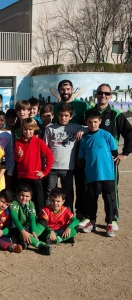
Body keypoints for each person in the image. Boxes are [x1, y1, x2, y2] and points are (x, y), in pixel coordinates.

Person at [88, 83, 132, 231]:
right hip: (92, 162)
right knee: (91, 191)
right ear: (96, 94)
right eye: (100, 93)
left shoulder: (115, 114)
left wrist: (125, 153)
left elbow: (129, 133)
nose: (103, 96)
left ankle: (112, 220)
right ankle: (90, 218)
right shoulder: (89, 113)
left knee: (110, 191)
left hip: (109, 162)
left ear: (111, 96)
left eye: (106, 93)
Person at [52, 80, 91, 221]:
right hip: (63, 154)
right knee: (62, 187)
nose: (65, 91)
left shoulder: (82, 105)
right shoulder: (56, 107)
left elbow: (90, 122)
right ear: (59, 91)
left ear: (72, 89)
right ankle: (56, 215)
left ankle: (79, 213)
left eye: (68, 89)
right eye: (62, 89)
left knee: (81, 185)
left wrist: (82, 129)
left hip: (80, 151)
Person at [78, 109, 118, 237]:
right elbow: (82, 158)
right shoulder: (84, 139)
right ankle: (92, 221)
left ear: (100, 121)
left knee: (108, 199)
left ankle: (110, 223)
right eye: (90, 122)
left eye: (95, 122)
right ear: (86, 122)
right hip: (92, 175)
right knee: (92, 199)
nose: (93, 124)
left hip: (107, 175)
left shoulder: (106, 135)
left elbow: (114, 152)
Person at [43, 102, 85, 210]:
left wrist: (81, 130)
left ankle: (68, 215)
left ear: (71, 116)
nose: (63, 118)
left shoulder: (75, 127)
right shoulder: (50, 129)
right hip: (51, 167)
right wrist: (44, 165)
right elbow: (44, 149)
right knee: (50, 192)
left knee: (68, 192)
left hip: (67, 168)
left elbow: (88, 127)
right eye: (61, 115)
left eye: (66, 115)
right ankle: (48, 216)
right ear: (57, 115)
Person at [14, 118, 53, 213]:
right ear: (22, 129)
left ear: (34, 129)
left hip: (35, 177)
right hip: (22, 176)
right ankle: (23, 219)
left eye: (30, 129)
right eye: (25, 129)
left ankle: (40, 220)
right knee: (22, 200)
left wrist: (44, 172)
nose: (28, 132)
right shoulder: (18, 142)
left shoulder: (39, 142)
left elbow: (49, 156)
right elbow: (17, 160)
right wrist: (19, 156)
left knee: (38, 201)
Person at [9, 184, 52, 255]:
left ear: (31, 197)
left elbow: (32, 218)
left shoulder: (31, 204)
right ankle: (41, 246)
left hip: (28, 228)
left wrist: (34, 232)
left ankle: (25, 242)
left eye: (27, 196)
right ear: (17, 194)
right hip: (17, 228)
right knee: (18, 234)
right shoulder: (14, 203)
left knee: (43, 221)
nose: (24, 198)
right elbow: (15, 219)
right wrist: (23, 232)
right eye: (21, 195)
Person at [0, 111, 14, 190]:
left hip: (6, 164)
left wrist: (10, 168)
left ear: (5, 121)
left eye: (2, 120)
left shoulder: (9, 133)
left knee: (5, 186)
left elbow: (10, 151)